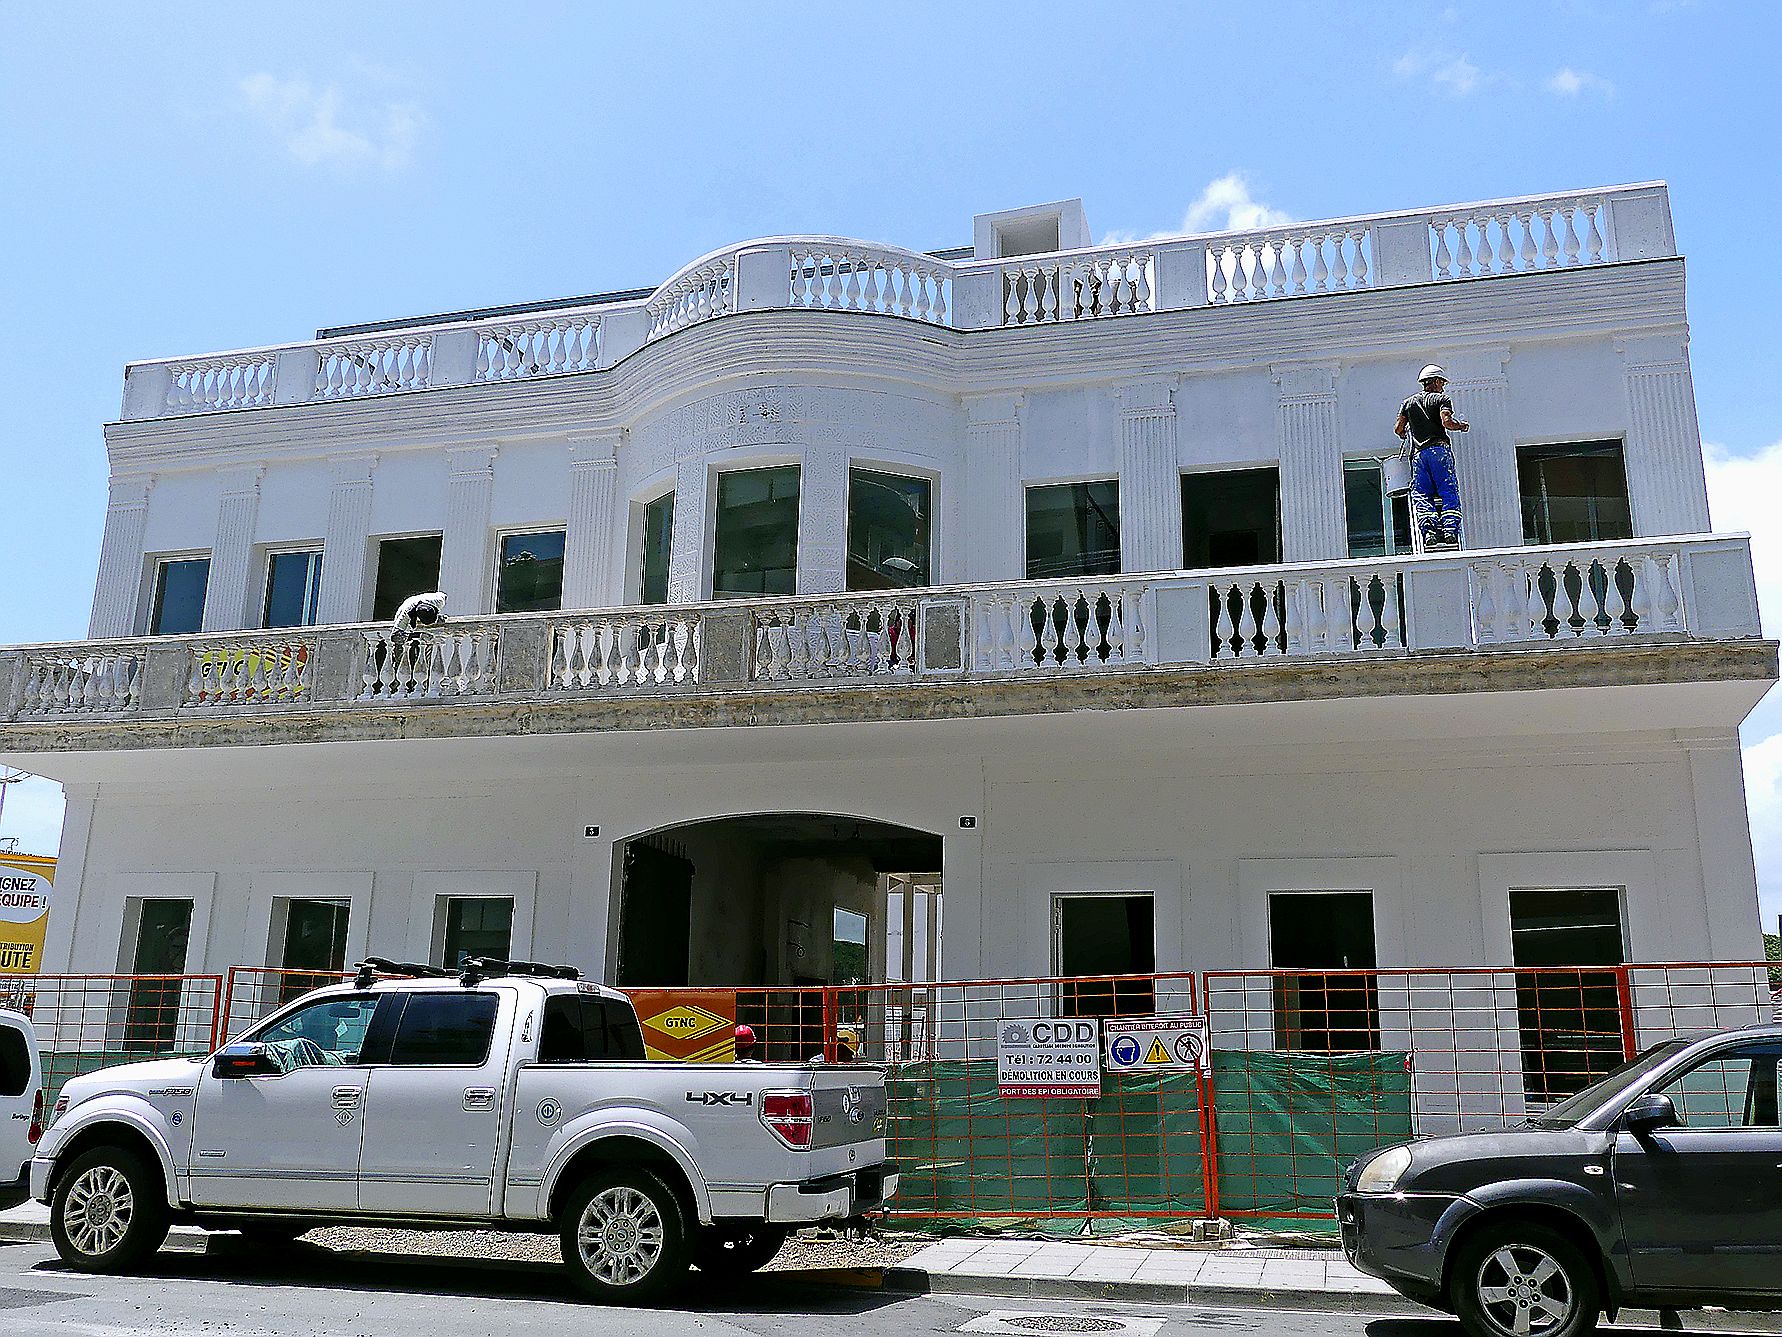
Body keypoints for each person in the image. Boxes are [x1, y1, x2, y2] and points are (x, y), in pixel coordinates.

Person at [1394, 364, 1469, 549]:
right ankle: (1450, 530)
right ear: (1435, 381)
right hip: (1439, 451)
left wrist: (1405, 434)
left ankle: (1429, 532)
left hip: (1419, 456)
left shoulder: (1408, 403)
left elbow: (1398, 429)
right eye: (1442, 382)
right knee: (1447, 490)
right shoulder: (1442, 399)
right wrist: (1461, 426)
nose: (1442, 386)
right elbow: (1447, 422)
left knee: (1422, 494)